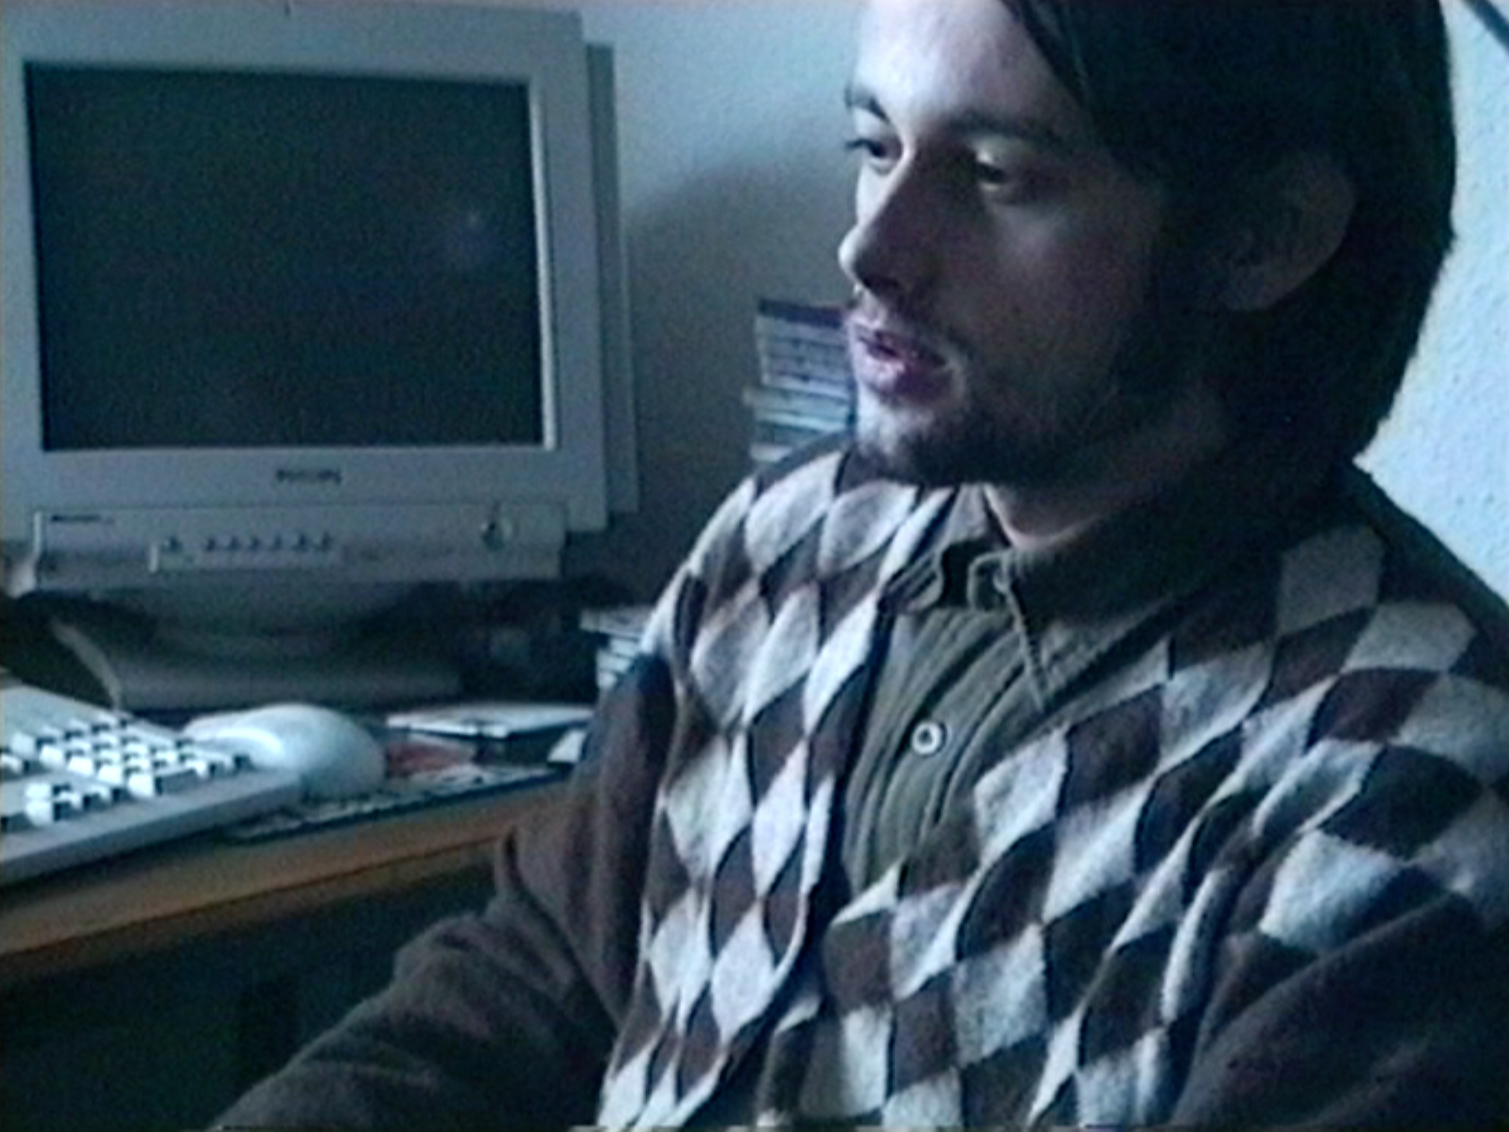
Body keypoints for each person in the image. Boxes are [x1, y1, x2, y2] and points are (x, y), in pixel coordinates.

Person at [217, 0, 1509, 1125]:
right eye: (874, 147)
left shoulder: (1409, 785)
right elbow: (523, 990)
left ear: (1263, 238)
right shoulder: (788, 542)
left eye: (995, 175)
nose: (871, 250)